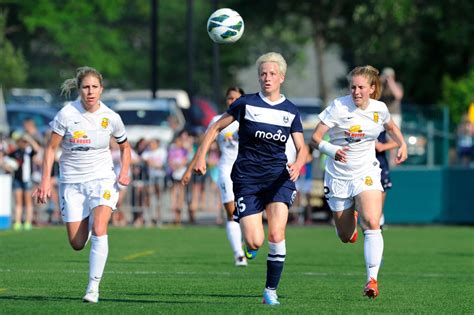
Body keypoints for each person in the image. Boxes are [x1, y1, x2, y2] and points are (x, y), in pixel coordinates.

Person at [185, 52, 307, 305]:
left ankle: (270, 291)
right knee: (255, 240)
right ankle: (250, 245)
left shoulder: (290, 111)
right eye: (263, 73)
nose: (267, 78)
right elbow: (215, 127)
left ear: (281, 77)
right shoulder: (246, 104)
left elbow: (302, 147)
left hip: (278, 179)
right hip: (247, 179)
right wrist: (200, 157)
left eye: (272, 74)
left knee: (276, 233)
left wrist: (297, 162)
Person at [32, 66, 131, 303]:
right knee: (77, 243)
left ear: (101, 89)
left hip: (102, 178)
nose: (90, 91)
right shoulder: (66, 114)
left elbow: (125, 147)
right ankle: (85, 223)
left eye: (94, 87)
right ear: (79, 89)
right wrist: (45, 180)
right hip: (72, 182)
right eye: (86, 87)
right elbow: (50, 149)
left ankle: (93, 288)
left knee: (100, 229)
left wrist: (125, 170)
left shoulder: (111, 117)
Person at [310, 65, 407, 299]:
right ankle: (349, 220)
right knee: (345, 236)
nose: (356, 91)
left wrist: (402, 144)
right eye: (352, 87)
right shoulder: (338, 107)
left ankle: (372, 280)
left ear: (372, 88)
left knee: (373, 222)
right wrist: (331, 150)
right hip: (339, 175)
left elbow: (391, 127)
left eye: (361, 87)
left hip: (366, 172)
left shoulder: (379, 109)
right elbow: (314, 138)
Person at [182, 86, 248, 267]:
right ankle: (238, 255)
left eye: (236, 98)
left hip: (248, 172)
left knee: (248, 215)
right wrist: (190, 169)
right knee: (231, 212)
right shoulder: (218, 120)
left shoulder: (250, 119)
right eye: (229, 98)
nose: (232, 101)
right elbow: (204, 145)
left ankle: (249, 241)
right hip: (226, 169)